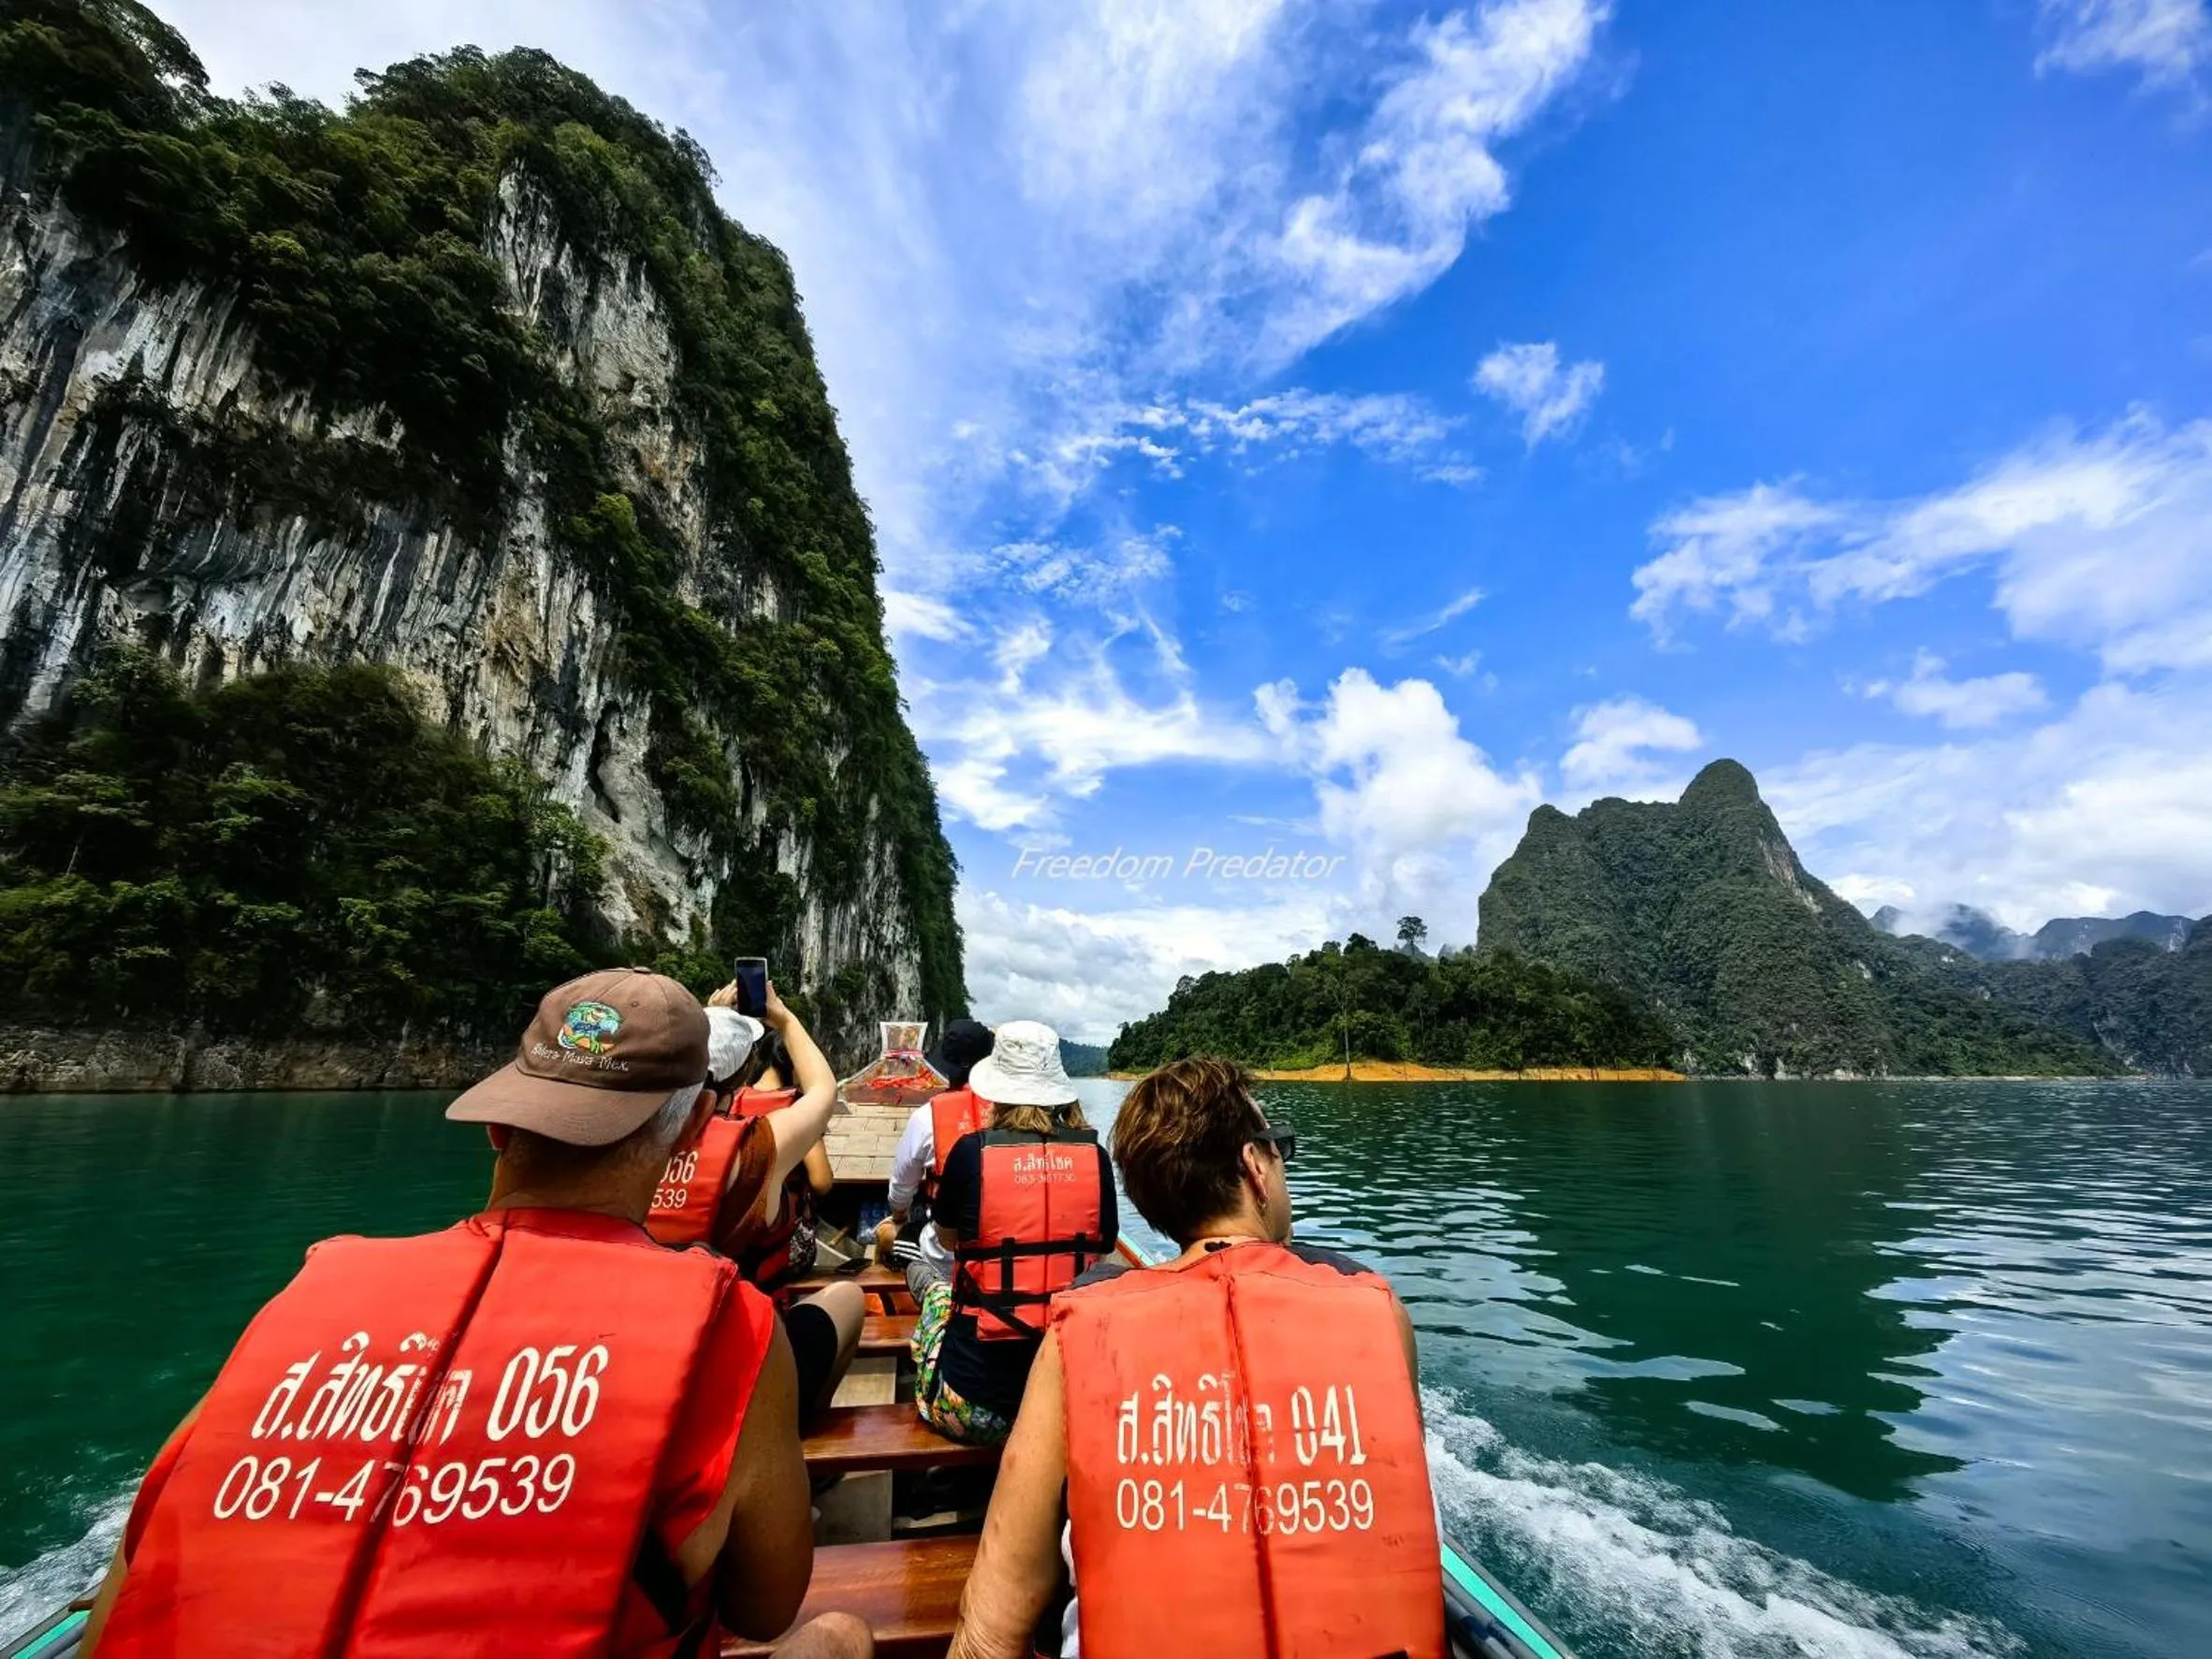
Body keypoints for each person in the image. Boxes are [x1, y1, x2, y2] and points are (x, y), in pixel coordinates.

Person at [83, 968, 870, 1659]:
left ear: (499, 1122)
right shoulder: (728, 1324)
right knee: (840, 1636)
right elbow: (765, 1610)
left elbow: (122, 1594)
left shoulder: (309, 1294)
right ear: (696, 1131)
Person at [946, 1056, 1443, 1659]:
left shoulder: (1078, 1336)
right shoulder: (1379, 1312)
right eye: (1279, 1147)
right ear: (1255, 1167)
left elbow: (991, 1630)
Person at [647, 991, 862, 1421]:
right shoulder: (756, 1148)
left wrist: (707, 1021)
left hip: (657, 1358)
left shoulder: (632, 1146)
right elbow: (822, 1091)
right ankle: (802, 1425)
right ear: (742, 1072)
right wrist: (783, 1018)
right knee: (849, 1298)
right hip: (748, 1362)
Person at [910, 1021, 1113, 1448]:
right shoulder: (1095, 1157)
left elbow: (948, 1241)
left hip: (973, 1408)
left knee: (934, 1289)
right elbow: (1105, 1245)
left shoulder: (970, 1151)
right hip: (1067, 1410)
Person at [875, 1017, 997, 1298]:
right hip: (1001, 1247)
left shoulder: (928, 1116)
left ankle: (892, 1302)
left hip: (946, 1255)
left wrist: (899, 1216)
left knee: (885, 1234)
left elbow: (901, 1190)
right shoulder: (1014, 1113)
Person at [729, 1027, 834, 1301]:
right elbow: (821, 1181)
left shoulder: (734, 1100)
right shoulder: (796, 1107)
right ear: (795, 1065)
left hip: (736, 1237)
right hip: (782, 1243)